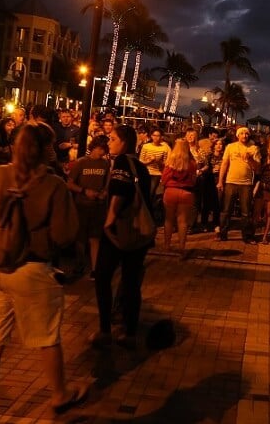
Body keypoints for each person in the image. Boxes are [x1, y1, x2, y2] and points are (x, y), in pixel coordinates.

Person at [0, 122, 85, 422]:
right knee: (46, 337)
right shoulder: (52, 185)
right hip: (32, 269)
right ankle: (60, 393)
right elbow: (64, 235)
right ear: (45, 149)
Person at [91, 125, 152, 350]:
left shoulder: (122, 162)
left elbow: (119, 191)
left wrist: (109, 219)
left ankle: (105, 329)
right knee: (131, 282)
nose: (109, 142)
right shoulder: (140, 166)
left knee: (103, 277)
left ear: (124, 142)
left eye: (113, 138)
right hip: (139, 233)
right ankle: (130, 332)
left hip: (119, 231)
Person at [66, 135, 111, 279]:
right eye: (100, 149)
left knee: (95, 237)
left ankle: (94, 269)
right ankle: (79, 265)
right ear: (94, 147)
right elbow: (70, 183)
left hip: (98, 205)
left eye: (104, 150)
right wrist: (84, 191)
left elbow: (107, 182)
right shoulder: (81, 163)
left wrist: (104, 192)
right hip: (82, 205)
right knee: (80, 237)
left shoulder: (105, 164)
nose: (102, 153)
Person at [217, 126, 261, 243]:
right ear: (237, 135)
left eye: (246, 134)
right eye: (242, 134)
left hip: (246, 184)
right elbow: (225, 164)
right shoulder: (230, 147)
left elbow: (257, 169)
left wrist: (250, 159)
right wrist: (220, 181)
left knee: (246, 212)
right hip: (230, 182)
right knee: (226, 210)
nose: (244, 136)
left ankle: (246, 236)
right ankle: (223, 234)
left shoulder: (253, 149)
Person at [161, 138, 197, 256]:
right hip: (186, 193)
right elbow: (193, 180)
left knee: (168, 220)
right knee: (183, 221)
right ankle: (182, 246)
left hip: (171, 191)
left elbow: (164, 179)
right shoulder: (192, 164)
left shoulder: (170, 162)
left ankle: (167, 245)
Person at [139, 128, 170, 202]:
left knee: (151, 192)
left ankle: (149, 208)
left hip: (157, 173)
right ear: (151, 136)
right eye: (154, 135)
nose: (156, 137)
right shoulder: (146, 146)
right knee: (144, 191)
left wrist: (157, 161)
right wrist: (149, 161)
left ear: (161, 137)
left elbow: (165, 163)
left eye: (158, 136)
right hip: (146, 172)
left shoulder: (164, 148)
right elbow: (141, 161)